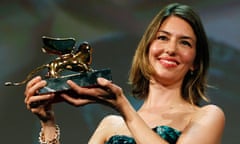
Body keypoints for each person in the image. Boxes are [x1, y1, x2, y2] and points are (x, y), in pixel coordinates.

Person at [24, 3, 225, 144]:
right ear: (146, 51)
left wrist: (123, 107)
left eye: (184, 42)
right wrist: (48, 123)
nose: (171, 49)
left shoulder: (207, 116)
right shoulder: (110, 124)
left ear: (195, 63)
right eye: (162, 38)